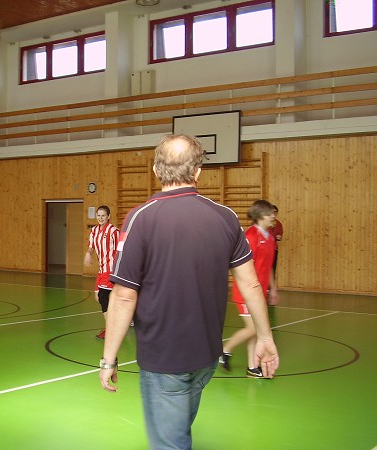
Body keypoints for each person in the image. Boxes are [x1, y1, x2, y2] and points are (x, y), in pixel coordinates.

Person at [98, 135, 279, 450]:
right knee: (179, 429)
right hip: (204, 358)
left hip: (164, 359)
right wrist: (265, 337)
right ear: (197, 173)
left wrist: (108, 359)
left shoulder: (140, 218)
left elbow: (124, 296)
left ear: (156, 170)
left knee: (171, 442)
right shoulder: (225, 218)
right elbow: (250, 284)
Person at [221, 200, 279, 378]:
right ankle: (224, 350)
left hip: (260, 293)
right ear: (260, 215)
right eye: (270, 214)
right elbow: (243, 266)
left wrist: (273, 289)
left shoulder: (268, 237)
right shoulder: (251, 237)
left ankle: (253, 367)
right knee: (255, 328)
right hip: (245, 293)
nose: (273, 217)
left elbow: (269, 265)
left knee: (257, 330)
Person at [83, 205, 119, 339]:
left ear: (108, 217)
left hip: (111, 269)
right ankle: (126, 318)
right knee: (99, 296)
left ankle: (111, 329)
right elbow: (91, 247)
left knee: (103, 297)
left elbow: (121, 250)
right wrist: (88, 254)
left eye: (103, 215)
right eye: (98, 215)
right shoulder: (94, 231)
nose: (100, 218)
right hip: (102, 269)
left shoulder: (113, 231)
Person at [269, 204, 283, 279]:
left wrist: (279, 237)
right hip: (265, 249)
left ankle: (270, 288)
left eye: (276, 212)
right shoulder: (265, 223)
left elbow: (280, 235)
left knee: (273, 269)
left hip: (274, 248)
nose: (274, 214)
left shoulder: (278, 223)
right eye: (272, 212)